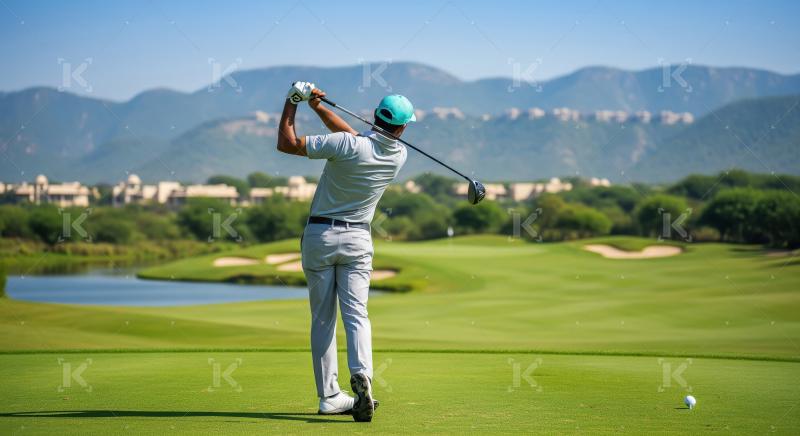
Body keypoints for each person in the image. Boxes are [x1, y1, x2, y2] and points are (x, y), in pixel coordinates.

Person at [276, 81, 415, 422]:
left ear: (375, 115)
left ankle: (329, 396)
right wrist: (319, 108)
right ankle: (363, 374)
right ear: (402, 128)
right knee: (357, 314)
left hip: (320, 236)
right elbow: (355, 138)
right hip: (358, 240)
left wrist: (293, 102)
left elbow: (287, 143)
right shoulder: (399, 155)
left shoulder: (346, 145)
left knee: (323, 319)